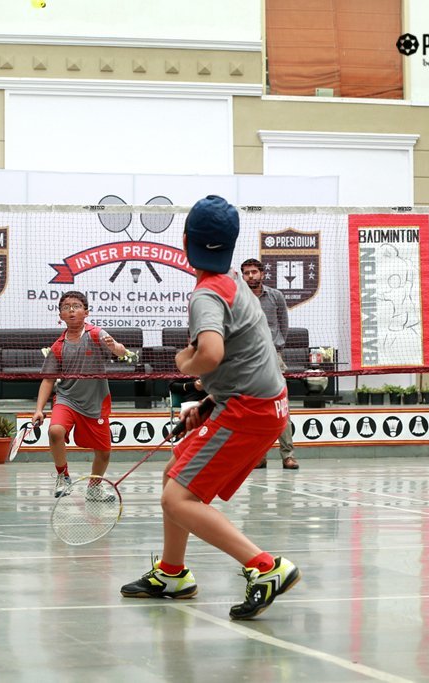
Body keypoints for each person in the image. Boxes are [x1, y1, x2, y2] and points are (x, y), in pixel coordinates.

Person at [120, 195, 300, 620]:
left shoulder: (205, 294)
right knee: (173, 475)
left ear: (185, 241)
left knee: (177, 499)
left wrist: (186, 363)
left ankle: (266, 567)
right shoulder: (236, 283)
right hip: (257, 404)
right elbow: (249, 357)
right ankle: (172, 573)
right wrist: (208, 400)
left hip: (248, 412)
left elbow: (213, 353)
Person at [32, 291, 135, 499]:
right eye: (66, 306)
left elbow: (122, 352)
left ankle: (94, 487)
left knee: (104, 451)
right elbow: (48, 380)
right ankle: (63, 476)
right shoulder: (58, 347)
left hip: (95, 401)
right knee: (55, 431)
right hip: (67, 399)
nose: (71, 310)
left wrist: (114, 346)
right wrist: (38, 410)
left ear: (86, 312)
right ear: (60, 315)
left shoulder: (97, 334)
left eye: (77, 306)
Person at [240, 258, 299, 470]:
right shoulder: (238, 298)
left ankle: (288, 456)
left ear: (262, 274)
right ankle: (259, 456)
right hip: (249, 358)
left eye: (254, 272)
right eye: (246, 273)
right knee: (256, 409)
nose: (251, 276)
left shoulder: (276, 296)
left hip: (273, 356)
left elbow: (284, 325)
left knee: (281, 406)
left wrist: (276, 348)